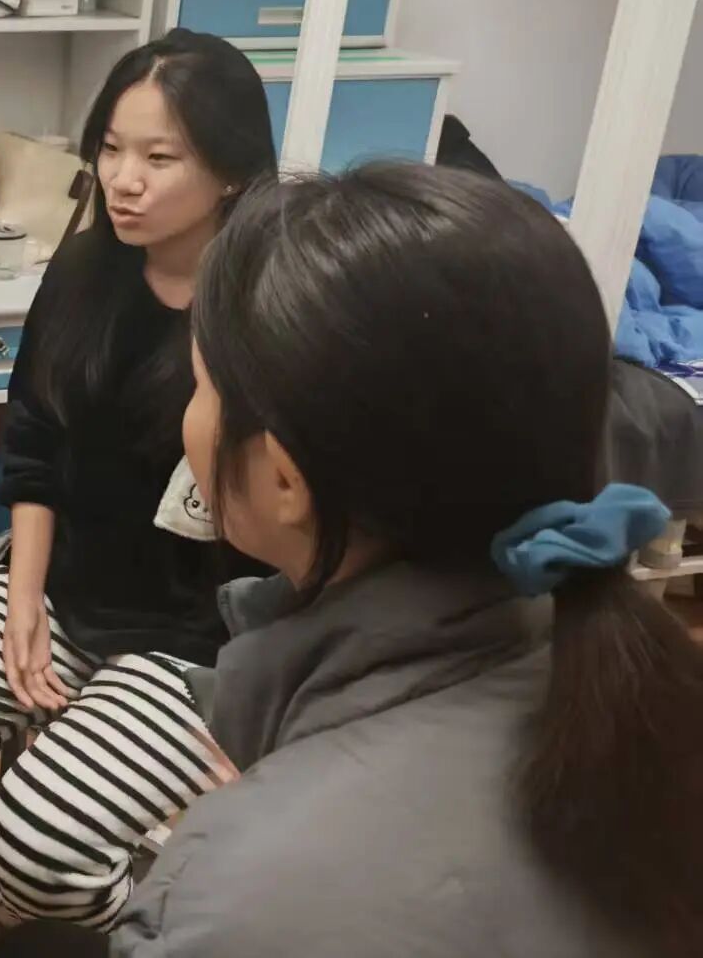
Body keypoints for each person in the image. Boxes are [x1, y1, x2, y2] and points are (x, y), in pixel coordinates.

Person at [112, 164, 703, 958]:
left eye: (199, 385)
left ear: (285, 478)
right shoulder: (635, 674)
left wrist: (275, 822)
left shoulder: (224, 904)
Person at [0, 29, 278, 933]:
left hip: (198, 639)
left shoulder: (265, 310)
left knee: (44, 834)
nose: (123, 179)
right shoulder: (87, 270)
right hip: (67, 587)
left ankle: (112, 934)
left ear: (233, 172)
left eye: (159, 157)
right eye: (111, 149)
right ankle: (17, 918)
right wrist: (22, 598)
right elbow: (34, 439)